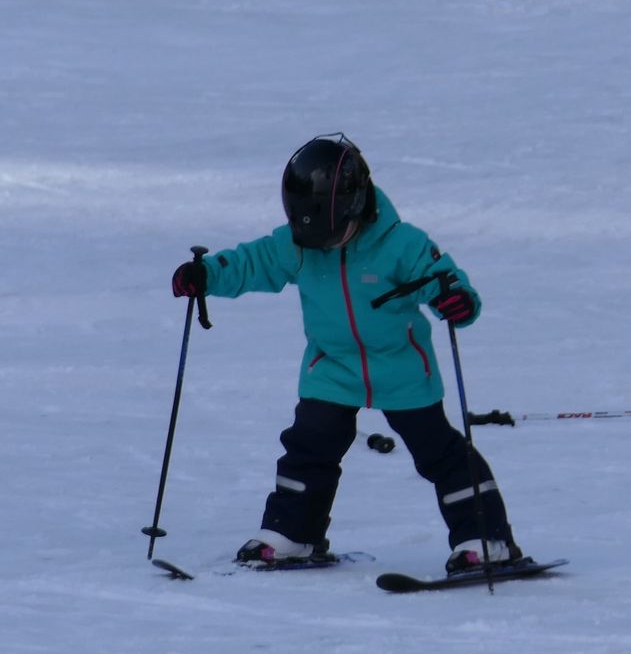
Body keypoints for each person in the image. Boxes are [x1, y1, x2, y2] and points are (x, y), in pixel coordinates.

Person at [172, 133, 527, 575]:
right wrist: (205, 275)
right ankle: (293, 533)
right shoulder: (298, 244)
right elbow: (251, 262)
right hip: (332, 366)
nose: (321, 244)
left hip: (400, 366)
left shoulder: (403, 243)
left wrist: (457, 302)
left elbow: (444, 280)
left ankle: (484, 538)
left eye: (331, 233)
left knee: (439, 451)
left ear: (356, 207)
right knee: (309, 446)